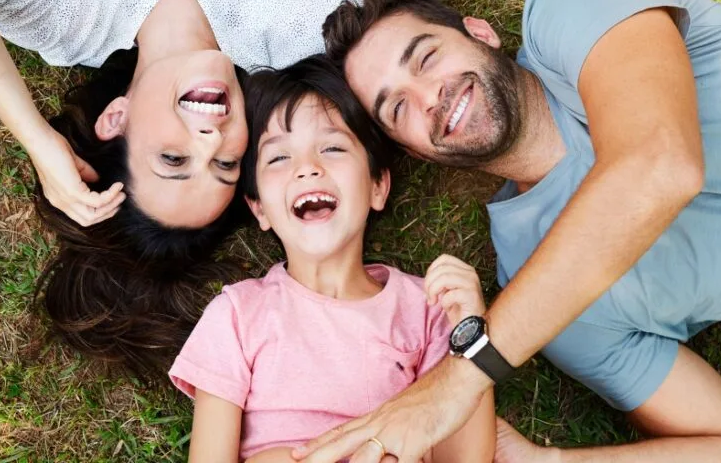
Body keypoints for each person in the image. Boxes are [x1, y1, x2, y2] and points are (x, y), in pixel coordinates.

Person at [0, 0, 574, 374]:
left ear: (117, 118)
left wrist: (37, 137)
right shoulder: (299, 29)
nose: (212, 139)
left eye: (173, 158)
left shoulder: (67, 16)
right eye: (222, 166)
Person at [296, 0, 721, 462]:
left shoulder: (566, 15)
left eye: (426, 57)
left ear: (480, 32)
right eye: (398, 108)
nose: (429, 97)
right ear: (418, 153)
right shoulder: (544, 305)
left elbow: (662, 165)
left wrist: (460, 378)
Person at [168, 56, 496, 462]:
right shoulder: (237, 314)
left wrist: (471, 333)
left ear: (377, 186)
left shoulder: (429, 308)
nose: (307, 168)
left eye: (333, 147)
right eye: (279, 157)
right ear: (260, 209)